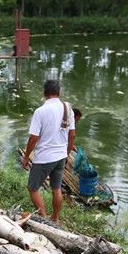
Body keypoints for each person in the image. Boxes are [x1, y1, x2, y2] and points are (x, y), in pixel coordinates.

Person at [21, 80, 76, 223]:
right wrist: (66, 153)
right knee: (56, 189)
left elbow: (33, 138)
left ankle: (44, 218)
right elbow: (72, 135)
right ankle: (55, 218)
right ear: (59, 92)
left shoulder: (40, 112)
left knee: (33, 188)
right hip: (60, 156)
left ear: (44, 93)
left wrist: (26, 157)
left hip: (44, 157)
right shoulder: (68, 109)